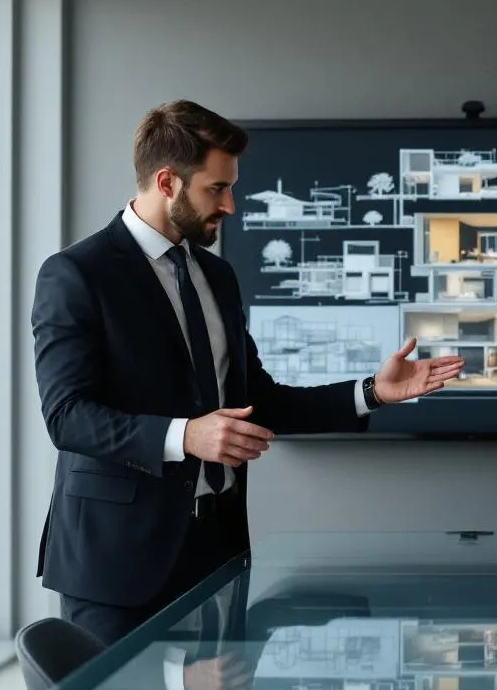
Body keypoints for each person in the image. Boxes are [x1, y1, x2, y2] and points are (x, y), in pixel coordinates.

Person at [30, 99, 464, 651]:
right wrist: (186, 434)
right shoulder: (76, 274)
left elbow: (256, 402)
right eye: (217, 189)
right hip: (117, 564)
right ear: (167, 182)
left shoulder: (217, 276)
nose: (231, 206)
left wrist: (373, 391)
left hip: (217, 550)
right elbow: (67, 416)